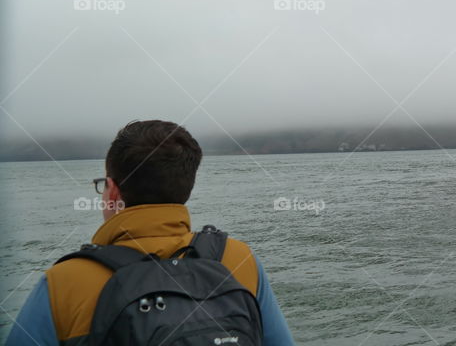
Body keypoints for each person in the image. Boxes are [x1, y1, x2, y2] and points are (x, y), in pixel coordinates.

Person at [6, 120, 295, 345]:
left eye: (103, 186)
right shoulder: (239, 259)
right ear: (186, 186)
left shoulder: (64, 283)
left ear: (113, 191)